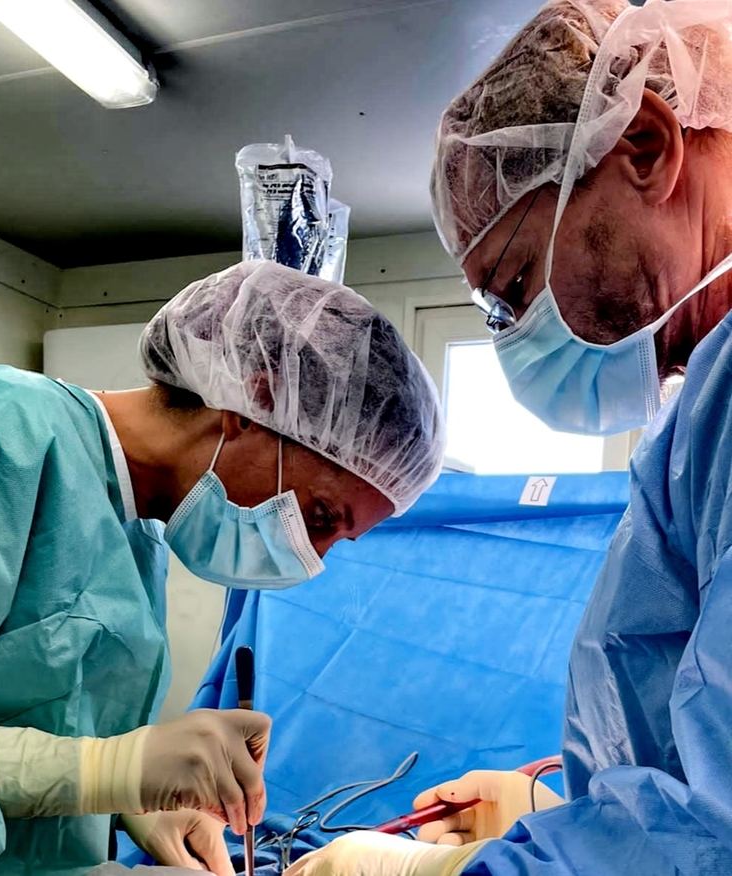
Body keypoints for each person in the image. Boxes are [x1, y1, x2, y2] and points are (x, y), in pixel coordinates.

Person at [0, 260, 445, 876]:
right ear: (251, 403)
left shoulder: (135, 533)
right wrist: (104, 771)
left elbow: (16, 725)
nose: (308, 557)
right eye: (319, 518)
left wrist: (128, 802)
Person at [285, 1, 731, 875]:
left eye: (514, 282)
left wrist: (445, 870)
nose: (520, 335)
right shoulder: (697, 422)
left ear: (644, 147)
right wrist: (557, 810)